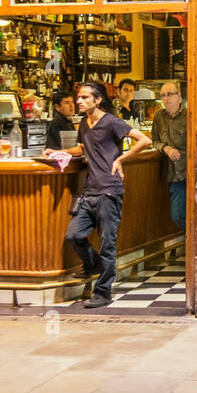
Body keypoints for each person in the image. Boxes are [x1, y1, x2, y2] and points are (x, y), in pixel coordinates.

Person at [45, 81, 152, 308]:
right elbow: (83, 148)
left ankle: (103, 292)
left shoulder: (112, 122)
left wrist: (121, 158)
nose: (79, 101)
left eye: (84, 97)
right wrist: (59, 151)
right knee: (73, 235)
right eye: (78, 97)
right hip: (90, 191)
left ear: (98, 99)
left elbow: (145, 139)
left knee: (107, 244)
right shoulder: (84, 123)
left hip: (109, 191)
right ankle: (93, 264)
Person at [150, 81, 187, 232]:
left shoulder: (189, 116)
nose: (166, 99)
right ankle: (193, 242)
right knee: (177, 214)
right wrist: (165, 148)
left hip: (189, 173)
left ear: (179, 96)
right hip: (173, 176)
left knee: (196, 212)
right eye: (163, 96)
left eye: (170, 94)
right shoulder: (159, 116)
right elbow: (154, 140)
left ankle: (194, 245)